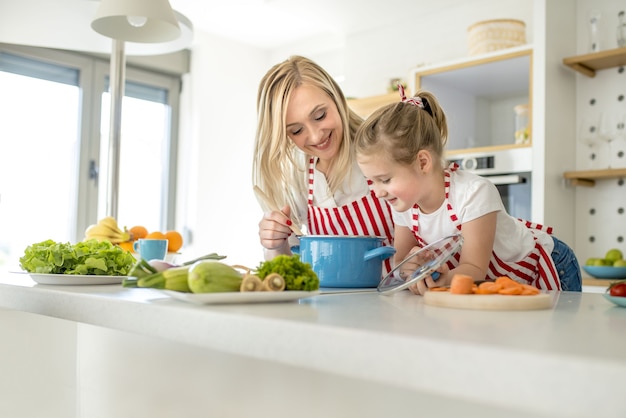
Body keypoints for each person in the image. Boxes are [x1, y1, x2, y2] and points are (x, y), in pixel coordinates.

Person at [354, 86, 582, 294]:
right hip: (489, 281)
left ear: (423, 162)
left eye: (384, 179)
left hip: (547, 266)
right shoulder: (403, 204)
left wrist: (438, 281)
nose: (378, 192)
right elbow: (401, 262)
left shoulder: (473, 193)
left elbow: (474, 268)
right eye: (371, 181)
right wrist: (412, 266)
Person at [252, 56, 394, 273]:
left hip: (399, 297)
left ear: (336, 97)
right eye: (297, 130)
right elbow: (286, 270)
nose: (316, 136)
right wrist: (276, 243)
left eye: (320, 115)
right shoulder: (298, 174)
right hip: (331, 302)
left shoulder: (380, 147)